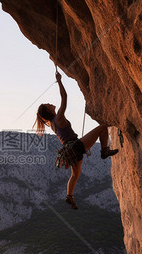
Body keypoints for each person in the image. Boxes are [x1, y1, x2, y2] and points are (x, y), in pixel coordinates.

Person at [33, 72, 118, 209]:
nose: (50, 103)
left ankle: (69, 196)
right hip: (75, 145)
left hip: (69, 151)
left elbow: (43, 117)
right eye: (48, 105)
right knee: (102, 128)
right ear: (49, 110)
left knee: (75, 174)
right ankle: (104, 151)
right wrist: (59, 81)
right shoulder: (58, 118)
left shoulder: (50, 123)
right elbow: (64, 97)